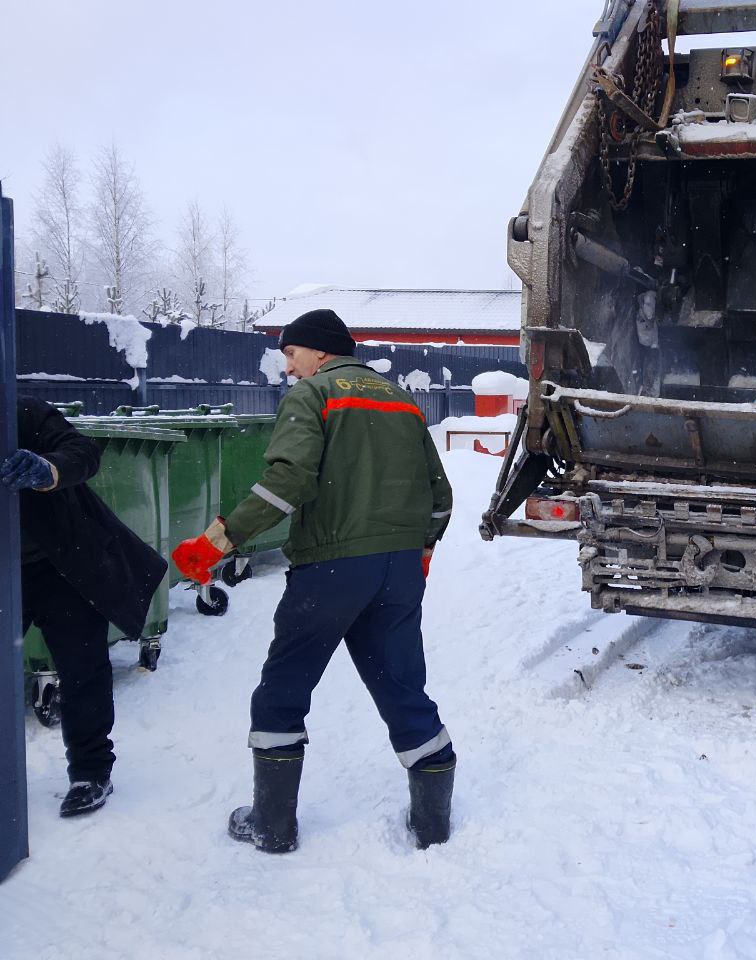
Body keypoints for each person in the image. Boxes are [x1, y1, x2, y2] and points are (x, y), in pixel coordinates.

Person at [172, 309, 455, 854]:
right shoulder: (399, 401)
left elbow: (288, 482)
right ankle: (432, 826)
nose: (287, 365)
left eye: (291, 352)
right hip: (396, 573)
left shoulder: (314, 395)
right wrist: (418, 552)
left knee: (283, 689)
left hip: (331, 569)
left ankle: (273, 826)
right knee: (401, 688)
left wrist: (218, 541)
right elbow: (439, 497)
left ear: (320, 350)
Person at [2, 399, 168, 817]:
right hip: (4, 575)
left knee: (83, 671)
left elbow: (82, 452)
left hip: (60, 565)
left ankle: (91, 771)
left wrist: (48, 468)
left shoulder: (20, 412)